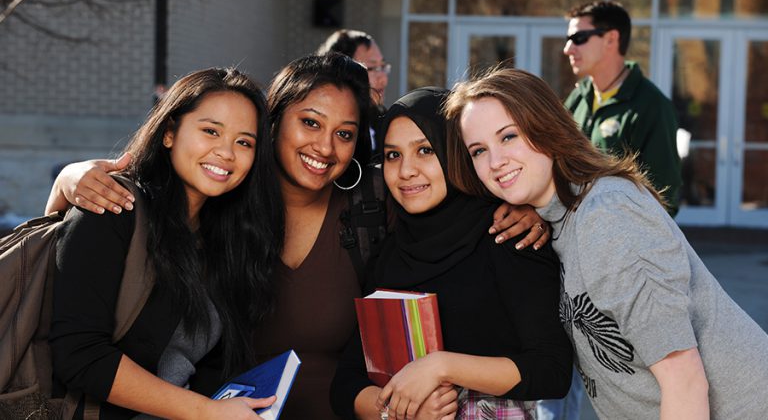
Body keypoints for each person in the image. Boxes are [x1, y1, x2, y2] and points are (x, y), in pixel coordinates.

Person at [46, 55, 550, 419]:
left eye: (345, 133)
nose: (324, 146)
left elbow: (444, 193)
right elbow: (78, 303)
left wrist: (526, 212)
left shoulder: (374, 209)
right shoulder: (224, 206)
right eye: (309, 122)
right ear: (274, 124)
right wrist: (69, 180)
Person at [444, 67, 768, 420]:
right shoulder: (555, 219)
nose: (495, 162)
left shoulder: (607, 214)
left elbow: (684, 379)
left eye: (508, 136)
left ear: (547, 127)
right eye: (478, 150)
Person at [50, 67, 284, 419]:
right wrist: (205, 412)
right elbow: (79, 354)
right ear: (170, 132)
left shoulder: (226, 240)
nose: (226, 152)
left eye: (244, 142)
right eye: (211, 131)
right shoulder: (115, 207)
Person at [330, 87, 573, 420]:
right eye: (392, 155)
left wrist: (441, 367)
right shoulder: (390, 255)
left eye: (425, 150)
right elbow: (346, 383)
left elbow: (552, 370)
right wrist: (400, 412)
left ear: (454, 154)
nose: (406, 170)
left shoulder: (508, 234)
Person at [563, 1, 682, 216]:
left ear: (611, 39)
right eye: (568, 39)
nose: (568, 49)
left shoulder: (652, 106)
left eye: (579, 38)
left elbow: (663, 196)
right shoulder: (577, 99)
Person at [317, 29, 390, 157]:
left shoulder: (384, 120)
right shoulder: (321, 123)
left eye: (383, 67)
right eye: (372, 68)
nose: (383, 78)